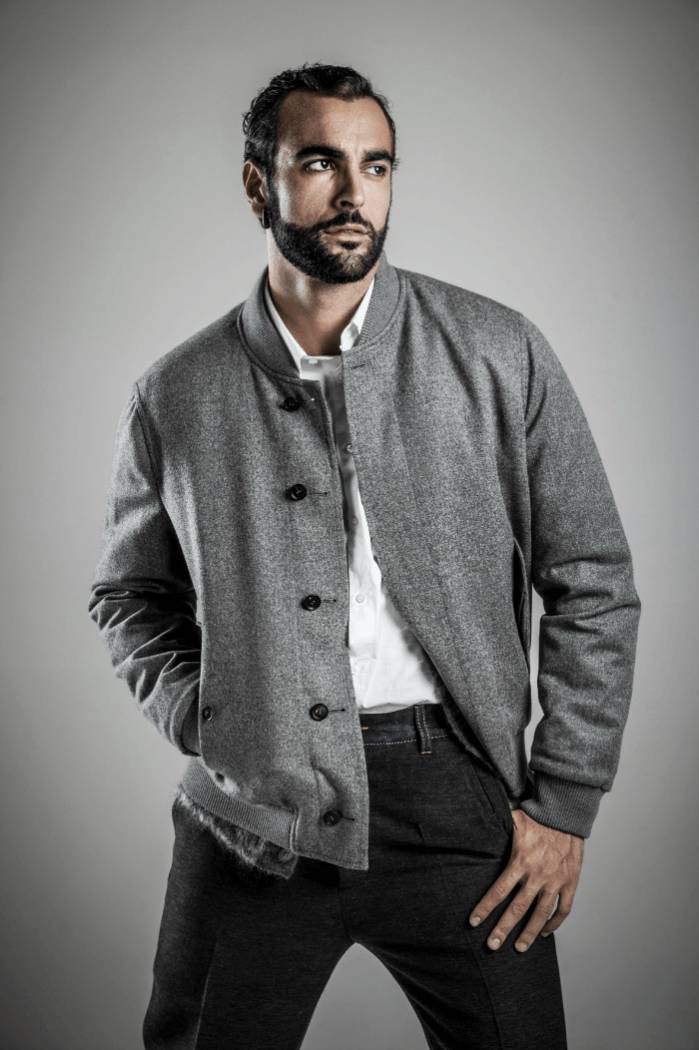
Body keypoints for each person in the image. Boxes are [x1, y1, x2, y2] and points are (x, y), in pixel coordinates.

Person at [88, 62, 642, 1050]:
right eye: (319, 163)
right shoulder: (176, 394)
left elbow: (592, 579)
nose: (354, 192)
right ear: (258, 184)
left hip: (454, 798)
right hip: (251, 816)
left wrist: (565, 804)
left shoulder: (497, 351)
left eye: (376, 165)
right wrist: (209, 714)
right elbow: (130, 596)